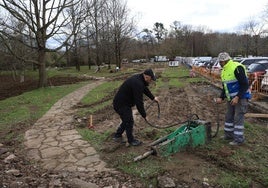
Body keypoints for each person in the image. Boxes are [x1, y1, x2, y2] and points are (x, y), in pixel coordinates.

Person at [113, 68, 159, 146]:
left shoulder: (140, 79)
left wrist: (153, 98)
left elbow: (145, 89)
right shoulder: (138, 83)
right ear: (147, 77)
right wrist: (144, 115)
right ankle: (131, 141)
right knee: (129, 121)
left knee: (126, 119)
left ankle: (117, 135)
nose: (151, 81)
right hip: (121, 104)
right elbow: (139, 102)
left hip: (122, 103)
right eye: (151, 79)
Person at [215, 52, 251, 146]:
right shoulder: (224, 71)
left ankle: (239, 139)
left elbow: (245, 84)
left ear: (224, 61)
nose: (219, 63)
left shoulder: (237, 67)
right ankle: (228, 135)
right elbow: (225, 86)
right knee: (229, 116)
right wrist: (221, 97)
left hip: (241, 97)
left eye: (220, 61)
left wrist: (237, 97)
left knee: (238, 118)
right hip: (230, 98)